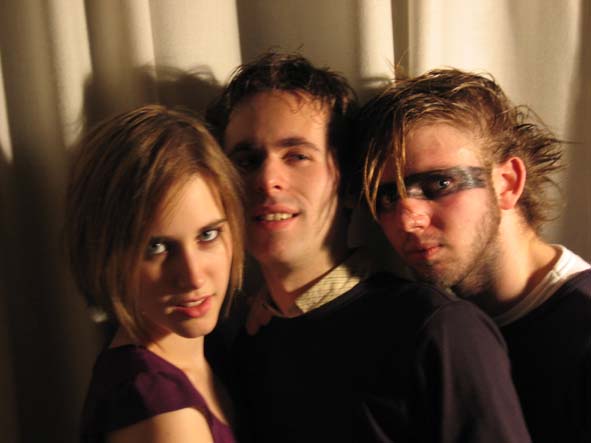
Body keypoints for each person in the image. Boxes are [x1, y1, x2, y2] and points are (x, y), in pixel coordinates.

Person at [206, 52, 531, 443]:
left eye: (297, 156)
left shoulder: (435, 329)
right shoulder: (234, 336)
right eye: (246, 161)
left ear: (348, 187)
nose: (267, 179)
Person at [359, 67, 591, 443]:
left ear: (507, 184)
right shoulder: (428, 328)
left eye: (439, 183)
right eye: (386, 198)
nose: (407, 220)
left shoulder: (582, 326)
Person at [65, 105, 245, 443]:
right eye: (157, 247)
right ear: (107, 253)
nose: (193, 277)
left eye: (208, 235)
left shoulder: (204, 354)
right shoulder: (164, 414)